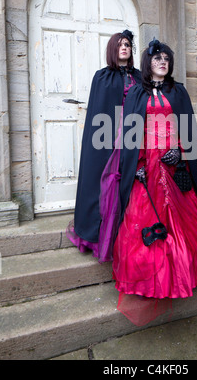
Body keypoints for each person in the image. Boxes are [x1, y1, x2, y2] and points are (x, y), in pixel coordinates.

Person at [112, 38, 197, 326]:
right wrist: (137, 165)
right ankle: (152, 280)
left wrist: (181, 152)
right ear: (148, 63)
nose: (162, 62)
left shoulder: (178, 91)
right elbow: (131, 135)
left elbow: (188, 129)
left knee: (183, 220)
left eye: (166, 59)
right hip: (148, 164)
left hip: (173, 165)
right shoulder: (135, 93)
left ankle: (182, 272)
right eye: (157, 58)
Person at [67, 30, 141, 263]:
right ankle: (103, 236)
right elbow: (98, 114)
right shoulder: (102, 77)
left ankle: (130, 235)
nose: (124, 48)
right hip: (107, 139)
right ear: (112, 49)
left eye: (128, 44)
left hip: (133, 138)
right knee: (107, 185)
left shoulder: (140, 77)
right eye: (119, 45)